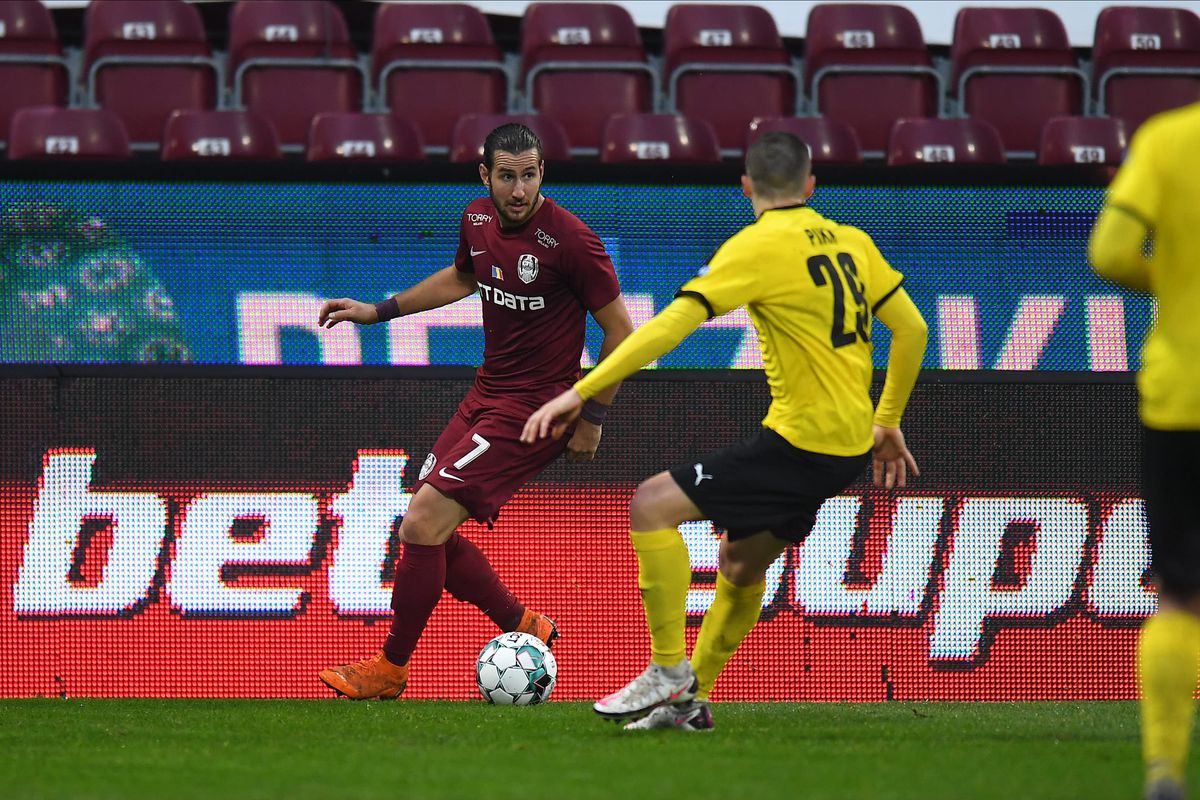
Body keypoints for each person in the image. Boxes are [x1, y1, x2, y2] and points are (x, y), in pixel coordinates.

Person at [522, 131, 928, 731]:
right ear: (811, 186)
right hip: (845, 450)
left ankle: (666, 671)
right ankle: (690, 707)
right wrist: (887, 418)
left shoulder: (757, 247)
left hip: (800, 442)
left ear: (746, 188)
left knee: (650, 505)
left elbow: (668, 327)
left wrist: (579, 392)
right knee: (739, 564)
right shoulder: (854, 241)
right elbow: (913, 328)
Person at [316, 123, 633, 700]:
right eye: (507, 176)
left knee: (422, 520)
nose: (518, 189)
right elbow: (463, 277)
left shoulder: (573, 242)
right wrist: (376, 311)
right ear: (485, 175)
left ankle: (390, 669)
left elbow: (621, 332)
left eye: (529, 175)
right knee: (427, 526)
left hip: (537, 409)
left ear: (544, 173)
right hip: (485, 394)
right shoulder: (477, 219)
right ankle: (522, 624)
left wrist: (591, 417)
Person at [1090, 101, 1200, 800]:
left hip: (1184, 399)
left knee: (1183, 597)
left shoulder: (1170, 139)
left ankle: (1165, 769)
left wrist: (1180, 288)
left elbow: (1109, 253)